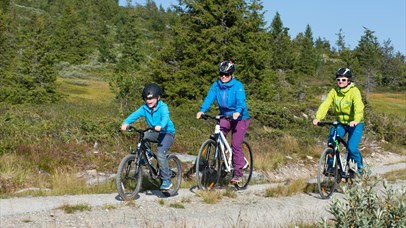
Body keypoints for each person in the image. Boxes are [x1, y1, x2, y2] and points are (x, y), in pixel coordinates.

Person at [196, 60, 250, 184]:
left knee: (236, 144)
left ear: (231, 75)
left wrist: (237, 112)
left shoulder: (238, 86)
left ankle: (238, 173)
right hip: (225, 116)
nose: (223, 77)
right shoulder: (216, 85)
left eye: (226, 75)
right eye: (221, 74)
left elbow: (241, 101)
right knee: (218, 139)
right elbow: (209, 98)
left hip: (240, 117)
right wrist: (202, 110)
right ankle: (223, 165)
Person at [121, 83, 176, 190]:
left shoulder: (163, 107)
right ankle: (148, 154)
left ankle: (166, 180)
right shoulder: (144, 108)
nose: (149, 101)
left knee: (160, 153)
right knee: (144, 135)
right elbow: (134, 115)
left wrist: (161, 125)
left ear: (158, 98)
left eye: (151, 99)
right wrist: (125, 123)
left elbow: (165, 117)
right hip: (155, 132)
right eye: (146, 99)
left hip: (167, 132)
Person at [312, 68, 365, 173]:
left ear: (348, 80)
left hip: (355, 123)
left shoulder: (354, 91)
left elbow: (359, 106)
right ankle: (331, 168)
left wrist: (355, 120)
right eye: (338, 80)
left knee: (352, 148)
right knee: (332, 142)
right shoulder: (334, 91)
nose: (340, 82)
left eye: (343, 80)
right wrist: (318, 117)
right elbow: (326, 104)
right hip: (340, 122)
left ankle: (360, 169)